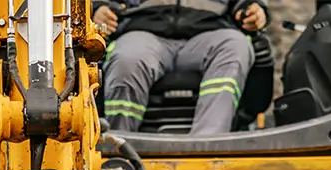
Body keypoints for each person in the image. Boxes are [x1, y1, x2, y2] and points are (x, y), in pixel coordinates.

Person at [94, 0, 270, 135]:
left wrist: (254, 8)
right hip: (142, 31)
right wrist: (98, 8)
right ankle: (120, 144)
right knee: (127, 58)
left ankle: (209, 144)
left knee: (235, 46)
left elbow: (246, 4)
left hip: (210, 32)